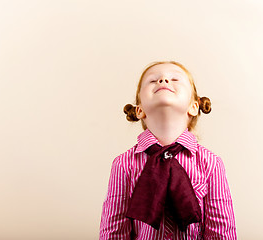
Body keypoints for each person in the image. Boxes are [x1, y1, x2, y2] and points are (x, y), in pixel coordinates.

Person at [99, 61, 237, 239]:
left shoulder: (210, 163)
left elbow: (221, 232)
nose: (163, 80)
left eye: (174, 79)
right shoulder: (124, 164)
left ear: (194, 107)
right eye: (152, 80)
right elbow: (114, 232)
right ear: (139, 110)